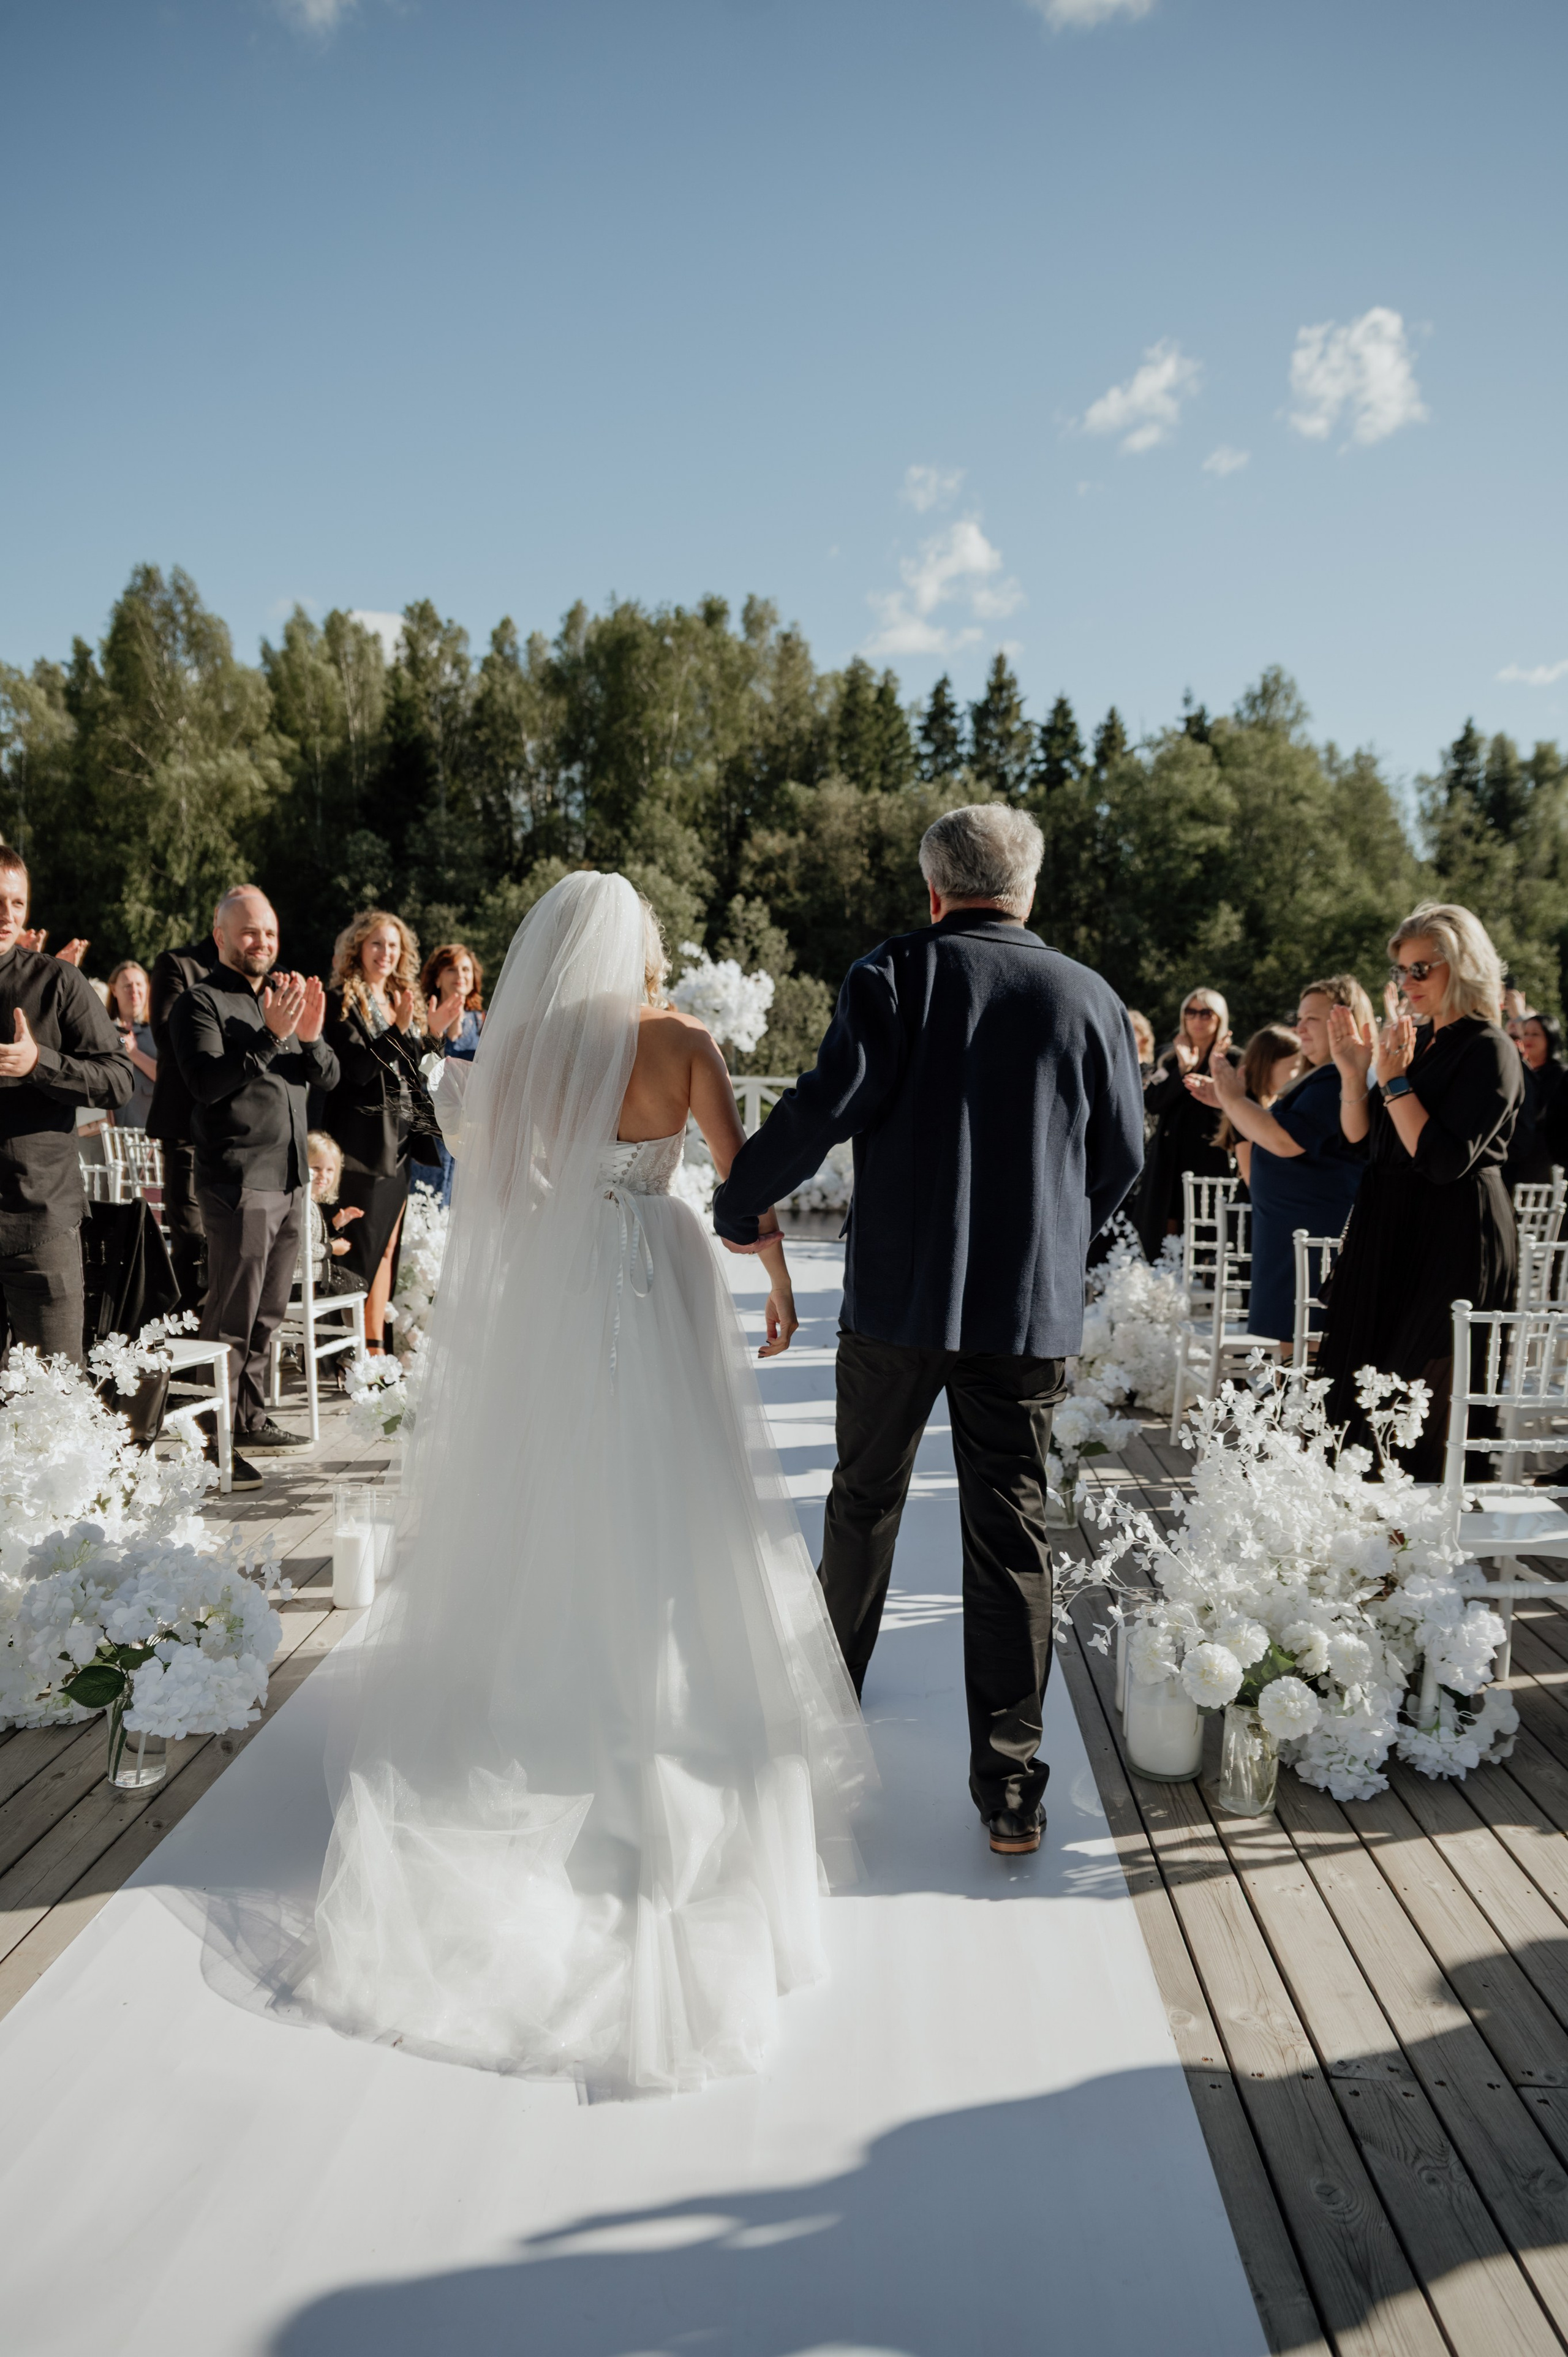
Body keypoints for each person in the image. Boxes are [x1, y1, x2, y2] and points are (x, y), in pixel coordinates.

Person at [296, 872, 869, 2091]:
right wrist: (772, 1283)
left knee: (559, 1484)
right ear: (640, 946)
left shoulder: (528, 1049)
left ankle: (540, 1684)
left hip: (560, 1292)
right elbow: (737, 1185)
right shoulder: (681, 1041)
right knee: (681, 1494)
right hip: (658, 1271)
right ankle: (666, 1700)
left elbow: (499, 1195)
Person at [712, 804, 1144, 1857]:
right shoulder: (1088, 995)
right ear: (1027, 890)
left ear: (934, 888)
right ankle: (1010, 1787)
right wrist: (1052, 1231)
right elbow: (1123, 1156)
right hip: (1022, 1308)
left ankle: (822, 1726)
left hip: (899, 1300)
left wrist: (740, 1201)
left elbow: (821, 1108)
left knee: (862, 1505)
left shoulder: (890, 976)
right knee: (1012, 1535)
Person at [1318, 904, 1520, 1479]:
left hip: (1453, 1235)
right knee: (1367, 1382)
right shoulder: (1416, 1039)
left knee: (1420, 1398)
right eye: (1401, 972)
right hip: (1393, 1228)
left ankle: (1423, 1548)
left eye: (1421, 970)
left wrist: (1396, 1079)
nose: (1407, 985)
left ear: (1462, 966)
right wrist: (1356, 1074)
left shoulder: (1489, 1048)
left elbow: (1442, 1158)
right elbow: (1364, 1140)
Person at [169, 886, 339, 1488]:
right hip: (238, 1182)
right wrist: (268, 1035)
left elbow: (329, 1075)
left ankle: (251, 1415)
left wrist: (312, 1036)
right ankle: (212, 1444)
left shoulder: (285, 996)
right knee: (232, 1317)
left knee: (269, 1313)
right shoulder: (198, 1004)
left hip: (291, 1180)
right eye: (249, 932)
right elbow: (207, 1083)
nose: (261, 942)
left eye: (268, 931)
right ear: (221, 936)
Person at [0, 849, 133, 1360]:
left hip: (41, 1221)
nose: (7, 915)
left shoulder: (58, 983)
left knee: (53, 1398)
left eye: (18, 902)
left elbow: (119, 1080)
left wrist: (39, 1063)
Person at [1186, 980, 1370, 1348]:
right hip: (1291, 1237)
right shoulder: (1320, 1078)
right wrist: (1230, 1102)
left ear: (1344, 1021)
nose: (1299, 1028)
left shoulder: (1336, 1079)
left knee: (1309, 1346)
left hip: (1313, 1240)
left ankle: (1297, 1407)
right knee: (1292, 1344)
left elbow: (1285, 1140)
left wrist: (1235, 1100)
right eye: (1299, 1018)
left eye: (1312, 1019)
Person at [320, 911, 432, 1351]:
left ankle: (376, 1348)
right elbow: (357, 1070)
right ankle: (349, 1355)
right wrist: (399, 1031)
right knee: (361, 1254)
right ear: (358, 949)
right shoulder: (342, 1001)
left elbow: (414, 1072)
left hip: (401, 1142)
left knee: (388, 1250)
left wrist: (431, 1034)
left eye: (393, 946)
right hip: (361, 1144)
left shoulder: (402, 999)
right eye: (377, 944)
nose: (386, 953)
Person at [146, 921, 225, 1315]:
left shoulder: (260, 978)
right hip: (188, 1125)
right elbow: (165, 1036)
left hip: (240, 1132)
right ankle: (184, 1348)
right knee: (193, 1242)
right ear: (219, 925)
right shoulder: (178, 965)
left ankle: (220, 1340)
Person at [1134, 987, 1238, 1259]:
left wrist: (1215, 1069)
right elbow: (1154, 1102)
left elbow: (1239, 1103)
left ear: (1220, 1017)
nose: (1197, 1019)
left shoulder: (1235, 1059)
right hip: (1169, 1158)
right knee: (1163, 1229)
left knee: (1207, 1233)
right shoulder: (1168, 1057)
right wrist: (1183, 1069)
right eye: (1190, 1012)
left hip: (1211, 1155)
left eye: (1206, 1012)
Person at [414, 941, 484, 1207]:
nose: (461, 976)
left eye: (466, 969)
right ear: (437, 977)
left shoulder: (483, 1022)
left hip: (471, 1137)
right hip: (431, 1132)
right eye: (452, 969)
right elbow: (420, 1077)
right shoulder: (420, 1021)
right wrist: (434, 1035)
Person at [1208, 1023, 1302, 1191]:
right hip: (1249, 1212)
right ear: (1268, 1065)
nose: (1300, 1076)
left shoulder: (1268, 1104)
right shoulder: (1249, 1108)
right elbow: (1252, 1178)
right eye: (1295, 1068)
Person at [306, 1130, 363, 1296]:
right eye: (316, 1168)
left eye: (330, 1170)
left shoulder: (311, 1203)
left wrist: (335, 1225)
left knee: (357, 1285)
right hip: (302, 1279)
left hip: (314, 1276)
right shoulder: (302, 1205)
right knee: (358, 1286)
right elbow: (301, 1248)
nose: (323, 1175)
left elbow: (312, 1237)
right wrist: (332, 1248)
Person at [105, 961, 157, 1130]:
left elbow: (169, 1078)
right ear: (114, 990)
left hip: (150, 1133)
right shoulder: (101, 1031)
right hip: (110, 1136)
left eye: (139, 984)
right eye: (127, 985)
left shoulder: (160, 1031)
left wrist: (134, 1053)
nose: (134, 991)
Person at [1520, 1013, 1568, 1169]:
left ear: (1550, 1037)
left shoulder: (1558, 1073)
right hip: (1518, 1152)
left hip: (1543, 1157)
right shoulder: (1521, 1070)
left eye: (1535, 1034)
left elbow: (1538, 1110)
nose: (1528, 1039)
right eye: (1526, 1033)